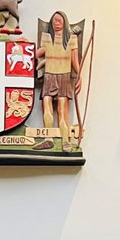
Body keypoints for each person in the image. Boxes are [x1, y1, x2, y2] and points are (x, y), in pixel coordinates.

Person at [36, 12, 81, 151]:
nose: (56, 23)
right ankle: (48, 138)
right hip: (49, 76)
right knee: (47, 106)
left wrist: (79, 76)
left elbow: (74, 61)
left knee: (62, 110)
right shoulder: (47, 38)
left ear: (64, 22)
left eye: (59, 20)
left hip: (64, 76)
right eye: (54, 21)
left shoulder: (71, 39)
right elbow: (37, 54)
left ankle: (65, 141)